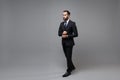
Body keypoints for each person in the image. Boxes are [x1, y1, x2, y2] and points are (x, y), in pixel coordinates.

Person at [58, 10, 78, 77]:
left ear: (69, 15)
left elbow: (76, 34)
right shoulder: (61, 24)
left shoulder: (72, 23)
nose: (64, 16)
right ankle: (72, 67)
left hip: (69, 43)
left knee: (68, 57)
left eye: (65, 15)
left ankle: (68, 71)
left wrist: (67, 35)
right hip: (63, 43)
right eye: (63, 15)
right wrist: (62, 33)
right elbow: (59, 33)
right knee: (67, 57)